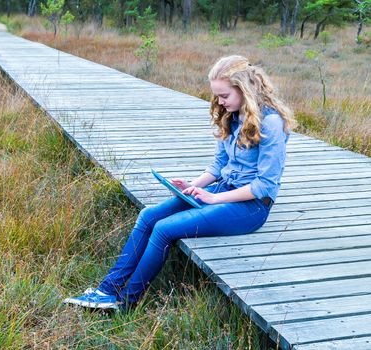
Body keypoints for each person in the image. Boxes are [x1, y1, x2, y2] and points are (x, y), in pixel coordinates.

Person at [63, 55, 294, 310]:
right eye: (217, 95)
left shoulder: (271, 123)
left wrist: (214, 198)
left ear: (245, 89)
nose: (219, 101)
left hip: (251, 207)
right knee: (149, 216)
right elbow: (219, 165)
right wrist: (193, 186)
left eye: (225, 95)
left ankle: (125, 302)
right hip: (222, 189)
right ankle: (107, 290)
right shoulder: (231, 114)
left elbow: (265, 185)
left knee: (164, 229)